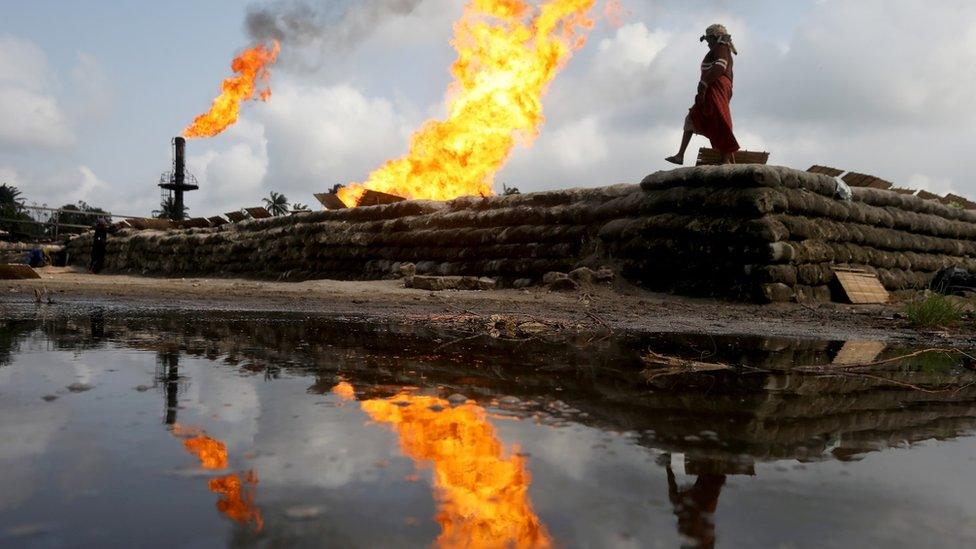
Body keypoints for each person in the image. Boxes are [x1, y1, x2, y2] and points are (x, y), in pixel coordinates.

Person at [666, 24, 741, 166]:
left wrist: (705, 83)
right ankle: (680, 155)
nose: (708, 43)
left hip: (717, 86)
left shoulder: (721, 47)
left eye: (709, 40)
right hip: (711, 88)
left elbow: (720, 66)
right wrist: (703, 88)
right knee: (693, 116)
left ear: (716, 37)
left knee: (720, 119)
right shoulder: (718, 48)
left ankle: (725, 160)